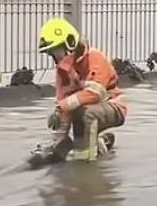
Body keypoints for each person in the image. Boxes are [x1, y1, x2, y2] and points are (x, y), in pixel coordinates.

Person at [36, 17, 126, 163]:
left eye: (55, 51)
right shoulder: (63, 70)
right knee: (80, 116)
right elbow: (63, 105)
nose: (55, 57)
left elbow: (95, 94)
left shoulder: (95, 58)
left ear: (70, 44)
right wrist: (59, 141)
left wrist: (62, 106)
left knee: (85, 114)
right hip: (86, 110)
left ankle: (86, 165)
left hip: (113, 107)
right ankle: (98, 145)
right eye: (51, 53)